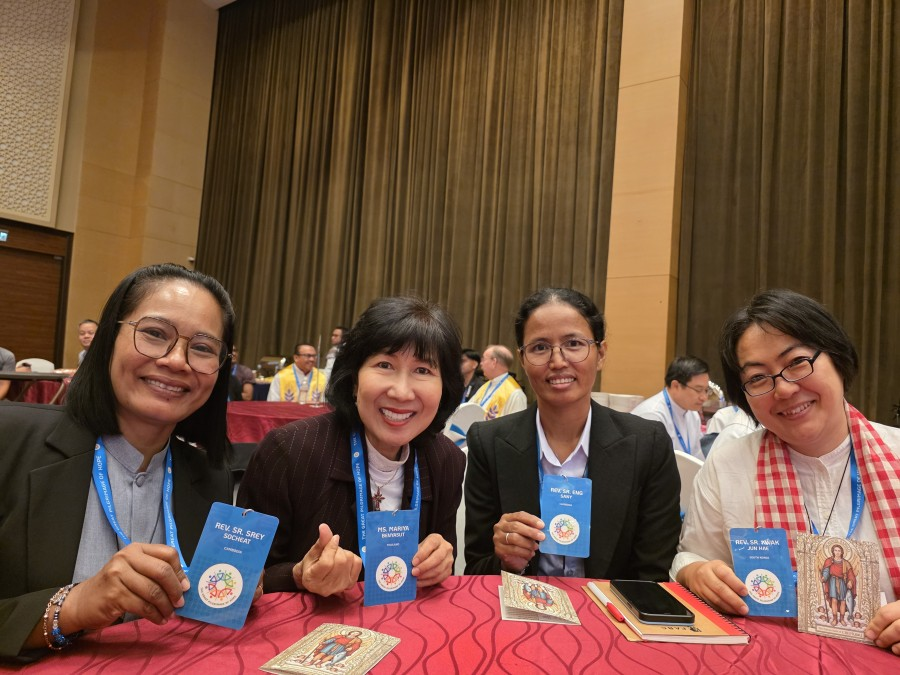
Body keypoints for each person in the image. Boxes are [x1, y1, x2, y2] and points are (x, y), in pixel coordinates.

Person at [0, 263, 250, 662]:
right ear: (108, 338)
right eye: (155, 334)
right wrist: (72, 607)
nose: (177, 360)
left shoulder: (210, 477)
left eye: (203, 348)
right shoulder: (9, 439)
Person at [671, 289, 900, 655]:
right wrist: (694, 572)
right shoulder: (729, 465)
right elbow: (692, 555)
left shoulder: (896, 453)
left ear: (837, 357)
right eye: (757, 378)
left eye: (796, 362)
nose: (784, 389)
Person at [238, 296, 466, 596]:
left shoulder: (447, 460)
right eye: (384, 365)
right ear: (354, 379)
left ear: (445, 388)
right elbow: (238, 576)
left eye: (423, 370)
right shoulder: (287, 451)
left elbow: (442, 573)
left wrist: (439, 562)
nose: (401, 392)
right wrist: (298, 575)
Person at [464, 288, 681, 579]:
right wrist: (506, 561)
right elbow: (475, 570)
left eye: (574, 344)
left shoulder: (647, 445)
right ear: (523, 359)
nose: (557, 361)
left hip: (610, 607)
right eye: (540, 347)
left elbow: (652, 575)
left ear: (600, 354)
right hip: (521, 605)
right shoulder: (488, 443)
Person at [631, 356, 710, 460]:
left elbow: (697, 457)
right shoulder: (652, 416)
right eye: (698, 390)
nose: (704, 397)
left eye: (706, 390)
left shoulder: (692, 414)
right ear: (675, 385)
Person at [470, 345, 527, 419]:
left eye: (483, 359)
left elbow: (517, 424)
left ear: (494, 362)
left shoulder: (515, 394)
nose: (481, 363)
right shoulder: (485, 386)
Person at [822, 544, 856, 626]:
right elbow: (826, 571)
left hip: (842, 582)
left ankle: (842, 619)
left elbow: (851, 574)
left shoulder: (845, 563)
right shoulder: (829, 561)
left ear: (841, 552)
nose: (837, 552)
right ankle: (835, 619)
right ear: (833, 551)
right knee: (834, 600)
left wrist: (850, 581)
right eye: (835, 550)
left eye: (839, 551)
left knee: (843, 601)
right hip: (833, 581)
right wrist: (824, 577)